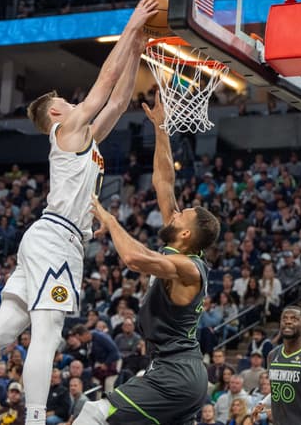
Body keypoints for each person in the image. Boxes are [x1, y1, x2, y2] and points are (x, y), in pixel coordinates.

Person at [0, 0, 159, 425]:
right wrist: (129, 27)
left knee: (2, 331)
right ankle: (35, 419)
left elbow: (117, 100)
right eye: (68, 103)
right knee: (48, 330)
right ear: (56, 113)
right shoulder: (64, 129)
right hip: (57, 239)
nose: (77, 104)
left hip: (51, 238)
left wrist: (137, 48)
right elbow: (102, 84)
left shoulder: (83, 136)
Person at [76, 91, 220, 425]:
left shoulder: (188, 267)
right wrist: (161, 128)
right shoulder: (179, 244)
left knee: (95, 412)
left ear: (186, 235)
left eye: (183, 214)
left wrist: (109, 219)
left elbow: (134, 259)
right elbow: (164, 180)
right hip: (175, 371)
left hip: (176, 373)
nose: (177, 211)